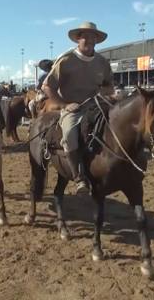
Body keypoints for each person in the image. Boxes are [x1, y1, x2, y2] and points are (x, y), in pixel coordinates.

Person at [42, 21, 114, 194]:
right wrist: (64, 105)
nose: (89, 40)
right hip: (72, 108)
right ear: (78, 39)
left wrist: (106, 94)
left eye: (93, 37)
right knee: (68, 135)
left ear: (97, 40)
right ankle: (78, 177)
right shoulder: (66, 60)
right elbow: (47, 86)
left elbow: (109, 85)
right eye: (85, 36)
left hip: (97, 107)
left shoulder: (102, 62)